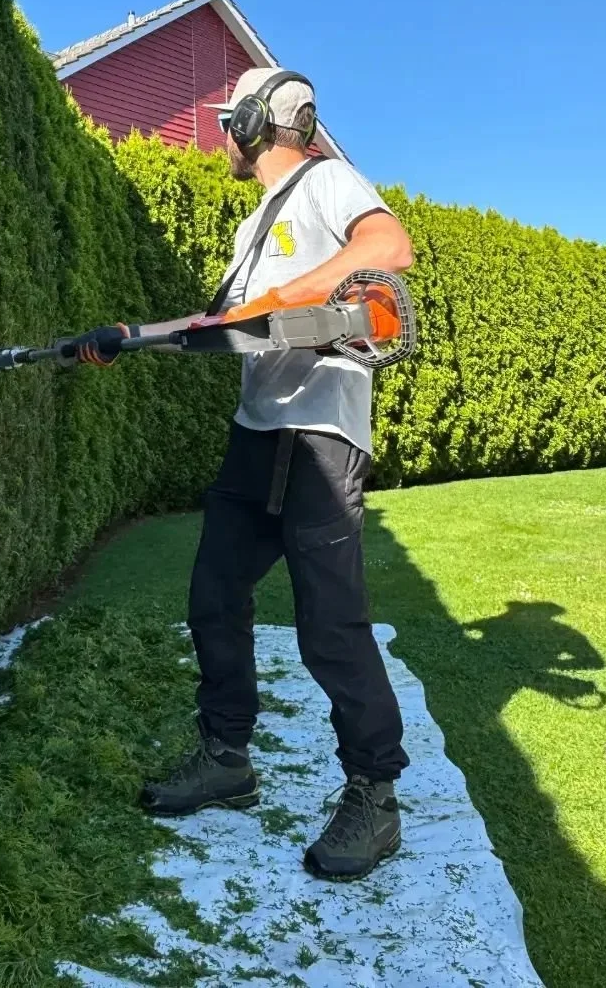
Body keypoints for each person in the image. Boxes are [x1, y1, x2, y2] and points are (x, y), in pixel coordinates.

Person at [71, 68, 414, 882]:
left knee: (331, 622)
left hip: (321, 433)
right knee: (214, 594)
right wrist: (131, 335)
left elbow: (387, 249)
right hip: (257, 432)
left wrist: (284, 300)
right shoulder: (252, 225)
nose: (222, 133)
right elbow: (222, 322)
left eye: (230, 120)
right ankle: (226, 756)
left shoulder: (327, 182)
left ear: (255, 123)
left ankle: (375, 795)